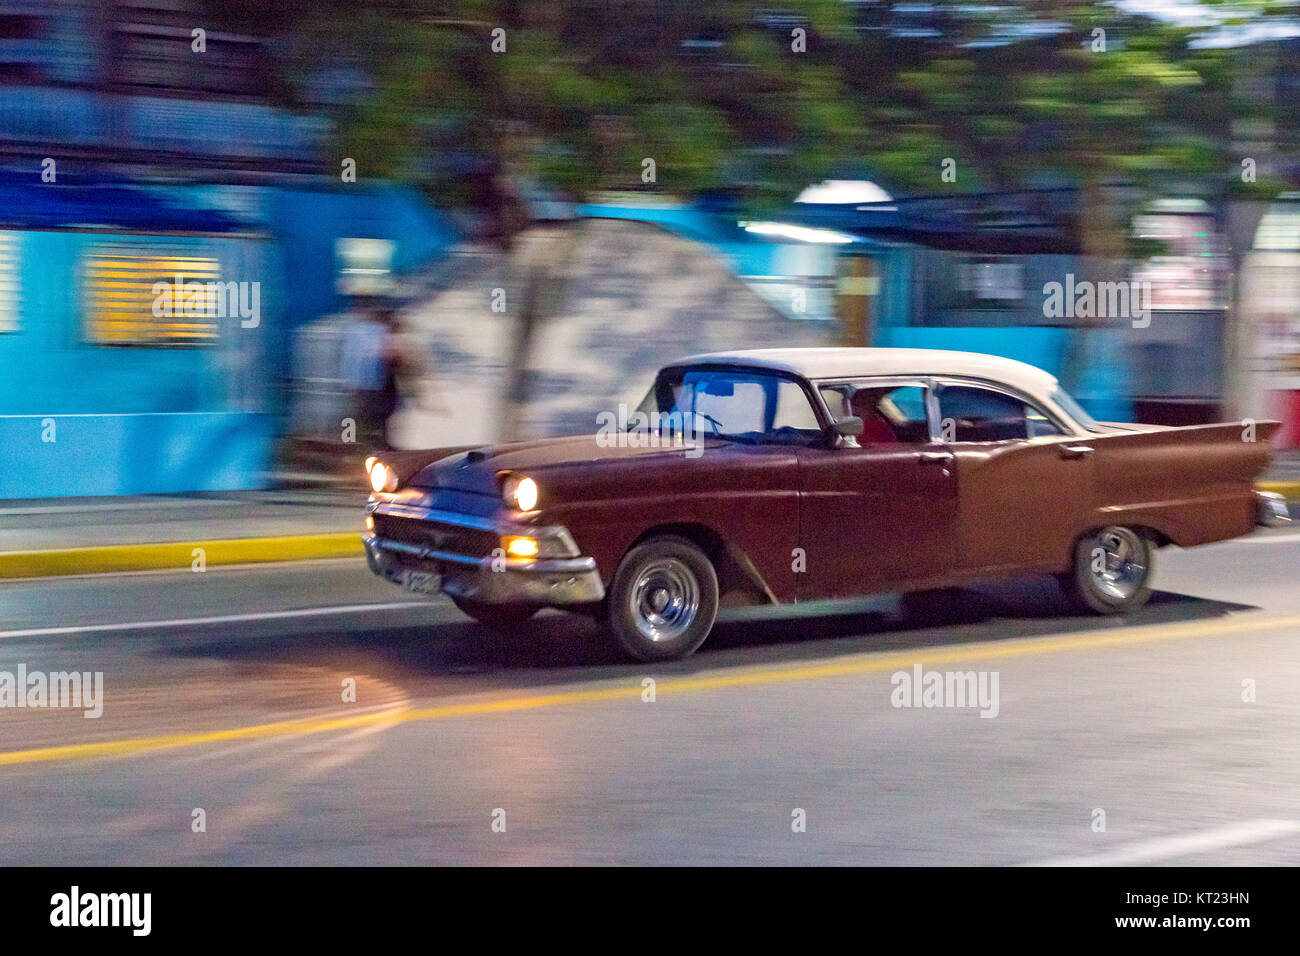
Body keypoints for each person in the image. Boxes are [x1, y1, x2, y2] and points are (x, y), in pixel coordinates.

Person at [340, 302, 402, 449]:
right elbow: (358, 357)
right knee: (361, 415)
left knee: (370, 415)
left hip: (370, 383)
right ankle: (353, 444)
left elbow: (352, 357)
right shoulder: (370, 332)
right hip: (368, 383)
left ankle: (361, 444)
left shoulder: (369, 331)